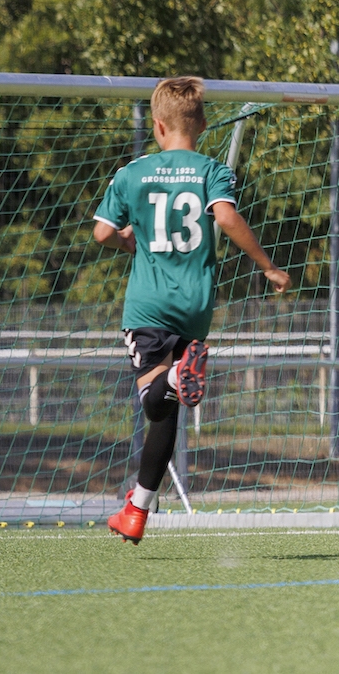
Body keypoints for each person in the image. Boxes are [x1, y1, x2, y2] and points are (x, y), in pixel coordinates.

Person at [92, 76, 291, 545]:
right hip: (196, 306)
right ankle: (137, 510)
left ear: (158, 126)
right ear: (201, 124)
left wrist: (130, 241)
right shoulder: (212, 170)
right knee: (166, 412)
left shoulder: (132, 173)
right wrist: (267, 266)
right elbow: (225, 217)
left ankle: (175, 379)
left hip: (149, 306)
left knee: (154, 396)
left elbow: (102, 233)